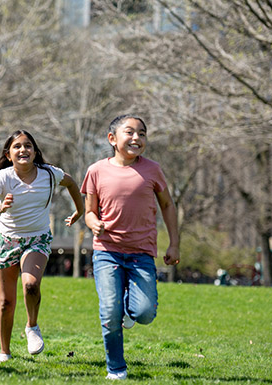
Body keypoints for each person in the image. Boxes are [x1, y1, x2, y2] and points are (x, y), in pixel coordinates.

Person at [81, 114, 180, 380]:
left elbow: (168, 206)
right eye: (130, 132)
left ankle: (128, 307)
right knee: (109, 312)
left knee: (145, 313)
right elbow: (88, 212)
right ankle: (116, 367)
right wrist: (94, 223)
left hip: (142, 254)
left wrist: (174, 244)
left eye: (142, 133)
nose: (137, 138)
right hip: (106, 251)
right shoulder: (96, 170)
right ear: (112, 139)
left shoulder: (152, 170)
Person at [0, 130, 84, 363]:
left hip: (37, 238)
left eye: (28, 146)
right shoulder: (3, 177)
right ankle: (4, 351)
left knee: (31, 285)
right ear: (9, 154)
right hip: (6, 239)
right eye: (17, 146)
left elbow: (72, 183)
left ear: (35, 152)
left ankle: (32, 326)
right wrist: (0, 208)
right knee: (6, 302)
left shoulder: (49, 174)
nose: (23, 150)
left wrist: (80, 210)